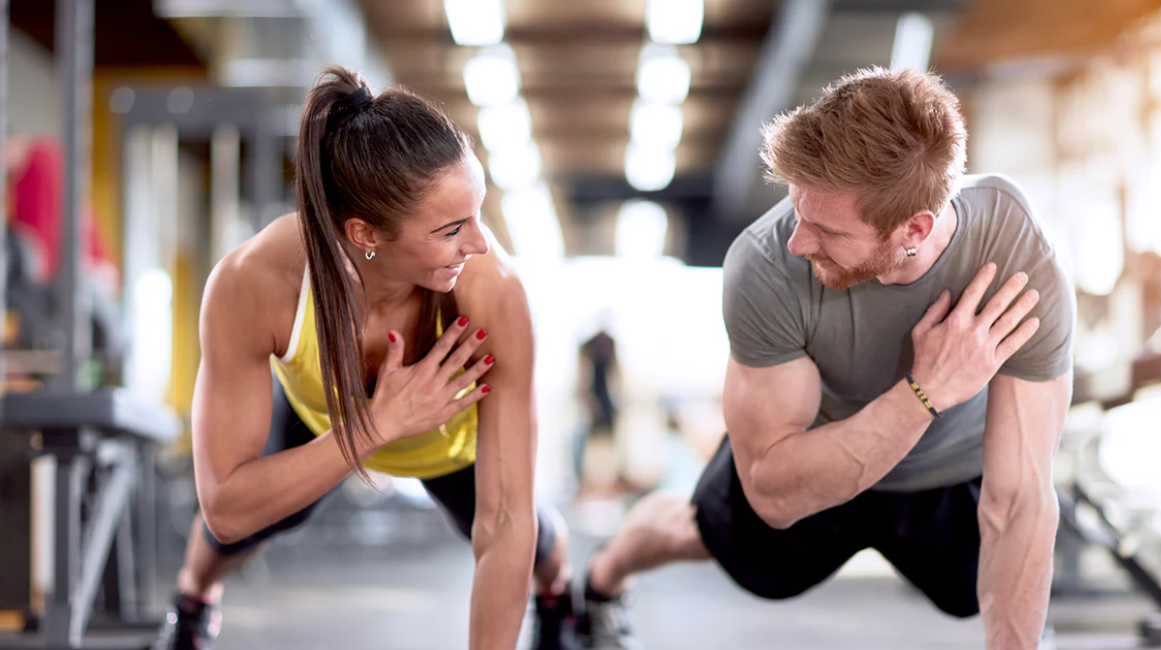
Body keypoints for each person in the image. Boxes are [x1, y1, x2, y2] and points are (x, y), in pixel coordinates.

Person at [576, 67, 1075, 650]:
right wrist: (925, 391)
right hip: (814, 456)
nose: (798, 241)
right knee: (699, 531)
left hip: (946, 473)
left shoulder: (1017, 253)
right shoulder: (764, 265)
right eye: (797, 210)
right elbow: (772, 494)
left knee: (995, 573)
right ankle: (603, 579)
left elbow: (1019, 500)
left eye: (826, 229)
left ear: (914, 228)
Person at [154, 67, 579, 650]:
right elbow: (225, 507)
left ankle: (560, 597)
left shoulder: (494, 291)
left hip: (446, 432)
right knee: (249, 524)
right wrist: (379, 424)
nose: (480, 243)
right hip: (322, 414)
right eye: (452, 229)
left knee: (529, 536)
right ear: (365, 234)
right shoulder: (253, 281)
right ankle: (193, 600)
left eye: (478, 214)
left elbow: (504, 524)